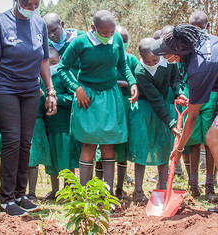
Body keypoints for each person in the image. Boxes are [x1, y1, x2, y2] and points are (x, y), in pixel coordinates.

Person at [152, 24, 218, 213]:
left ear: (178, 53)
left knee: (213, 137)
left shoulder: (199, 66)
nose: (163, 57)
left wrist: (178, 149)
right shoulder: (198, 42)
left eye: (166, 53)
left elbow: (192, 117)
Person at [0, 0, 58, 217]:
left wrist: (50, 90)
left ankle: (21, 195)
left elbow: (44, 61)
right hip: (4, 89)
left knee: (25, 142)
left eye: (36, 4)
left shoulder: (39, 24)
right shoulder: (0, 23)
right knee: (12, 141)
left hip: (30, 90)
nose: (32, 8)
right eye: (27, 4)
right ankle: (6, 200)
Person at [58, 10, 138, 194]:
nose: (109, 36)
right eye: (105, 33)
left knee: (109, 143)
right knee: (89, 143)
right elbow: (63, 68)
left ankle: (107, 194)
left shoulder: (117, 39)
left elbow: (122, 64)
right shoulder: (80, 42)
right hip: (88, 99)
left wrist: (132, 82)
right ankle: (85, 194)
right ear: (93, 28)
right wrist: (77, 88)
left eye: (111, 32)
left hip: (110, 96)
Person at [128, 38, 185, 203]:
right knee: (142, 147)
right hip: (146, 109)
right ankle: (138, 191)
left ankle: (162, 188)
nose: (152, 63)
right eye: (148, 61)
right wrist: (171, 122)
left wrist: (178, 93)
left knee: (163, 145)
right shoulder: (140, 71)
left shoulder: (169, 63)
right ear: (141, 57)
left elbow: (176, 80)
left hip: (164, 107)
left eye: (155, 59)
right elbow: (154, 99)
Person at [185, 11, 218, 201]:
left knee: (209, 142)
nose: (196, 31)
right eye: (192, 27)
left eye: (199, 27)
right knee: (194, 141)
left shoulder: (212, 43)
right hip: (192, 95)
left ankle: (209, 185)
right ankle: (193, 184)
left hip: (210, 96)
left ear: (206, 27)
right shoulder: (184, 45)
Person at [43, 47, 81, 200]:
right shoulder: (42, 78)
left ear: (59, 60)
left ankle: (69, 189)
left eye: (54, 62)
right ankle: (55, 190)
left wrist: (58, 99)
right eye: (48, 63)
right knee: (52, 161)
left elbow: (74, 97)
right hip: (49, 126)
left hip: (64, 126)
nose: (52, 66)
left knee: (66, 158)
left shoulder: (65, 76)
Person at [112, 25, 139, 199]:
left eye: (125, 40)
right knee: (105, 147)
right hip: (109, 107)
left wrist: (125, 84)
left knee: (121, 148)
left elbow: (138, 83)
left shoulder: (132, 60)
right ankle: (102, 189)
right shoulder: (107, 58)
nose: (123, 44)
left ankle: (120, 188)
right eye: (120, 40)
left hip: (126, 105)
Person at [27, 83, 51, 201]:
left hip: (36, 122)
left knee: (33, 159)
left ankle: (32, 192)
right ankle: (18, 192)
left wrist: (42, 96)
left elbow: (46, 103)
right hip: (21, 120)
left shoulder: (41, 80)